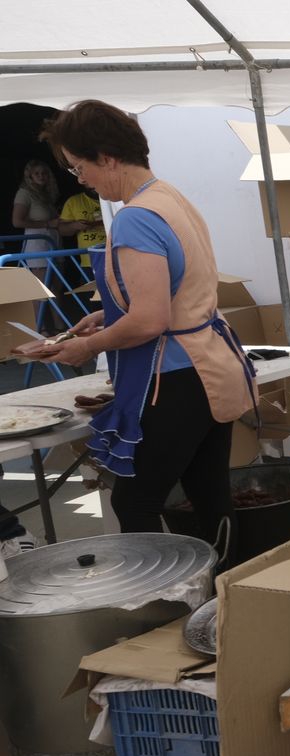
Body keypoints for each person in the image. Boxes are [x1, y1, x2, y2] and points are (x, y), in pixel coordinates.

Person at [34, 101, 256, 559]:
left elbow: (150, 320)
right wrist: (106, 314)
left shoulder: (135, 217)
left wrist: (87, 348)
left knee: (135, 501)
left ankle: (167, 608)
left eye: (80, 168)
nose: (84, 180)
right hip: (211, 365)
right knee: (210, 495)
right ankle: (229, 602)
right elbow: (175, 294)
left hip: (175, 378)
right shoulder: (169, 197)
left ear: (107, 158)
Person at [11, 159, 60, 278]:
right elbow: (17, 222)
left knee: (58, 287)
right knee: (45, 290)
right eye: (36, 173)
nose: (41, 176)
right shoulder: (24, 193)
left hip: (54, 243)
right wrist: (48, 224)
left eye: (44, 173)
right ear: (30, 176)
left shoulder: (47, 194)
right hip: (38, 246)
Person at [58, 185, 105, 271]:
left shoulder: (115, 199)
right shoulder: (73, 202)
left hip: (119, 256)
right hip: (89, 261)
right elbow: (62, 230)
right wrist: (75, 226)